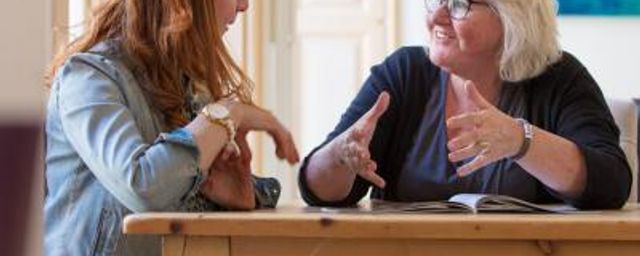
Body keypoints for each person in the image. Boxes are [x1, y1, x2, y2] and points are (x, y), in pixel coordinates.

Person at [299, 0, 631, 209]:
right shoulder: (403, 73)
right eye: (436, 0)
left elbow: (611, 185)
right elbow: (319, 191)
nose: (438, 15)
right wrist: (339, 155)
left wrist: (521, 140)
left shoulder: (559, 78)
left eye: (459, 4)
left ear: (511, 15)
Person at [44, 0, 299, 255]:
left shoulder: (188, 85)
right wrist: (230, 112)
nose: (244, 6)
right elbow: (144, 186)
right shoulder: (88, 77)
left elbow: (176, 194)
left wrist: (242, 198)